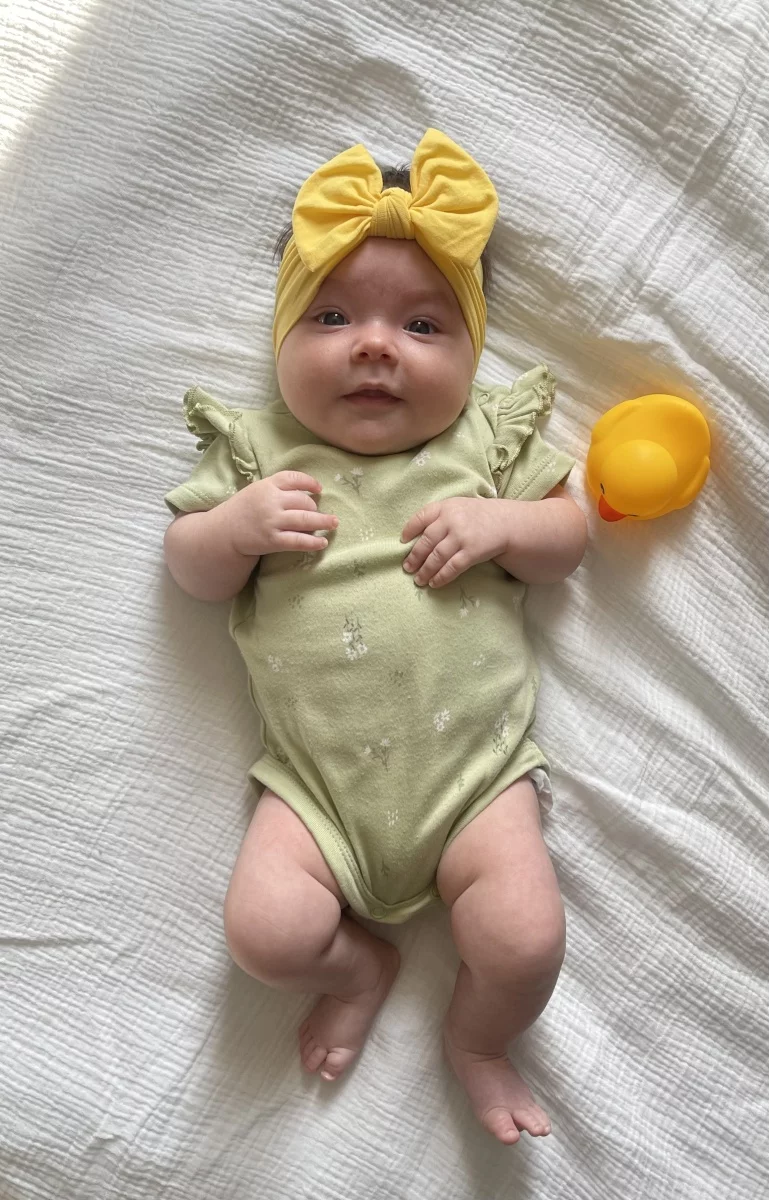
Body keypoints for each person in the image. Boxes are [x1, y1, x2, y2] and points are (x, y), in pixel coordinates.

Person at [163, 129, 588, 1145]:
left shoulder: (480, 444)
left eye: (423, 325)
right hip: (316, 793)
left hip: (475, 780)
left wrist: (504, 523)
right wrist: (233, 528)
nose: (374, 345)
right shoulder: (260, 454)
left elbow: (568, 539)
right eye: (332, 316)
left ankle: (477, 1041)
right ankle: (356, 970)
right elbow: (188, 567)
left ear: (472, 355)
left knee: (525, 940)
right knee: (265, 934)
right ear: (279, 338)